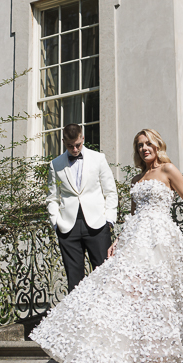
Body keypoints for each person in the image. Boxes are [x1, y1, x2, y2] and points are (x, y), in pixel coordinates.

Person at [32, 128, 183, 363]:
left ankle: (161, 350)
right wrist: (118, 242)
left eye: (148, 144)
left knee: (159, 294)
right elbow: (132, 217)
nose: (144, 148)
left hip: (161, 240)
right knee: (127, 293)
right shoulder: (136, 180)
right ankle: (130, 350)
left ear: (157, 145)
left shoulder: (168, 171)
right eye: (140, 145)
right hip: (135, 241)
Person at [46, 123, 118, 293]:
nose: (75, 149)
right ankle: (77, 319)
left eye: (78, 144)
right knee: (74, 281)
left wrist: (109, 220)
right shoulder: (55, 164)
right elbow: (52, 198)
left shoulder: (98, 158)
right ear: (63, 142)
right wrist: (56, 223)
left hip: (98, 225)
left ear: (83, 138)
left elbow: (110, 191)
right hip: (68, 228)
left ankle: (105, 317)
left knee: (105, 276)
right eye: (70, 146)